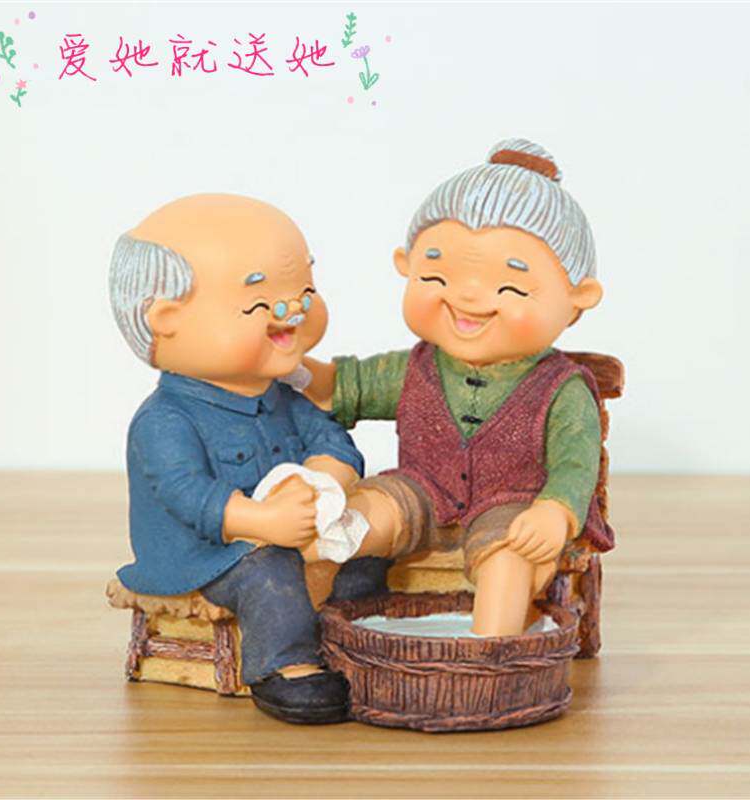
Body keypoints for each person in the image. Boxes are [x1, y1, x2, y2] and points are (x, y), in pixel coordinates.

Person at [304, 138, 614, 637]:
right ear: (406, 264)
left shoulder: (562, 389)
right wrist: (288, 366)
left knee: (510, 557)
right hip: (419, 493)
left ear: (578, 298)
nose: (467, 297)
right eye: (436, 276)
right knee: (346, 518)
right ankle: (304, 631)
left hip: (510, 508)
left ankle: (489, 656)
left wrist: (555, 511)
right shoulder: (415, 367)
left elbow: (576, 465)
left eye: (510, 287)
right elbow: (342, 386)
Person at [109, 193, 386, 724]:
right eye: (262, 303)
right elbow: (190, 497)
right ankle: (285, 666)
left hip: (290, 528)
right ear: (166, 320)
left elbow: (335, 443)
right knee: (269, 573)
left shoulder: (283, 397)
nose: (295, 312)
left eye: (305, 291)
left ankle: (358, 642)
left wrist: (321, 483)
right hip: (205, 555)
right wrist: (261, 521)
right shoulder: (165, 420)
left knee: (365, 555)